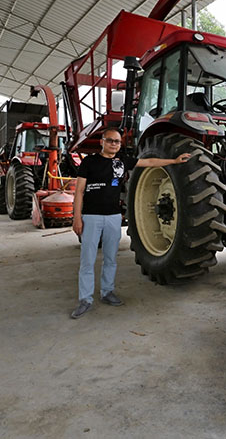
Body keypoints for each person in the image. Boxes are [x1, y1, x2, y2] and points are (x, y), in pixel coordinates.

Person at [70, 128, 191, 319]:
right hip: (91, 217)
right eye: (110, 141)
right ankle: (85, 299)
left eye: (117, 142)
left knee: (110, 259)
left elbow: (150, 162)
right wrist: (77, 217)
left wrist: (174, 161)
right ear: (102, 141)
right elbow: (79, 191)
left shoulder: (122, 161)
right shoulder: (89, 162)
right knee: (88, 260)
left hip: (113, 218)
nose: (114, 144)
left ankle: (107, 292)